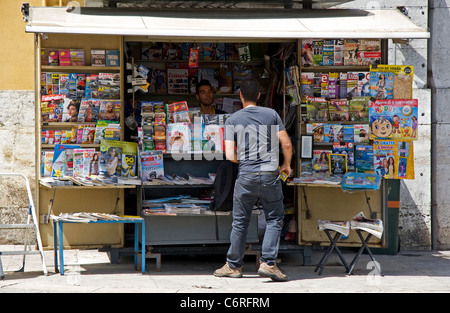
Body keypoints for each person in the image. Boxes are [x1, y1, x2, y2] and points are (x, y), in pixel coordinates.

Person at [214, 78, 292, 282]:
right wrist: (286, 165)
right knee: (274, 218)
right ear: (259, 95)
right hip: (269, 175)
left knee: (240, 221)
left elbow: (230, 155)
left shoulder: (232, 119)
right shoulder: (272, 114)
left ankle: (233, 266)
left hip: (246, 176)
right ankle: (268, 263)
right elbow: (286, 144)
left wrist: (246, 159)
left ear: (240, 96)